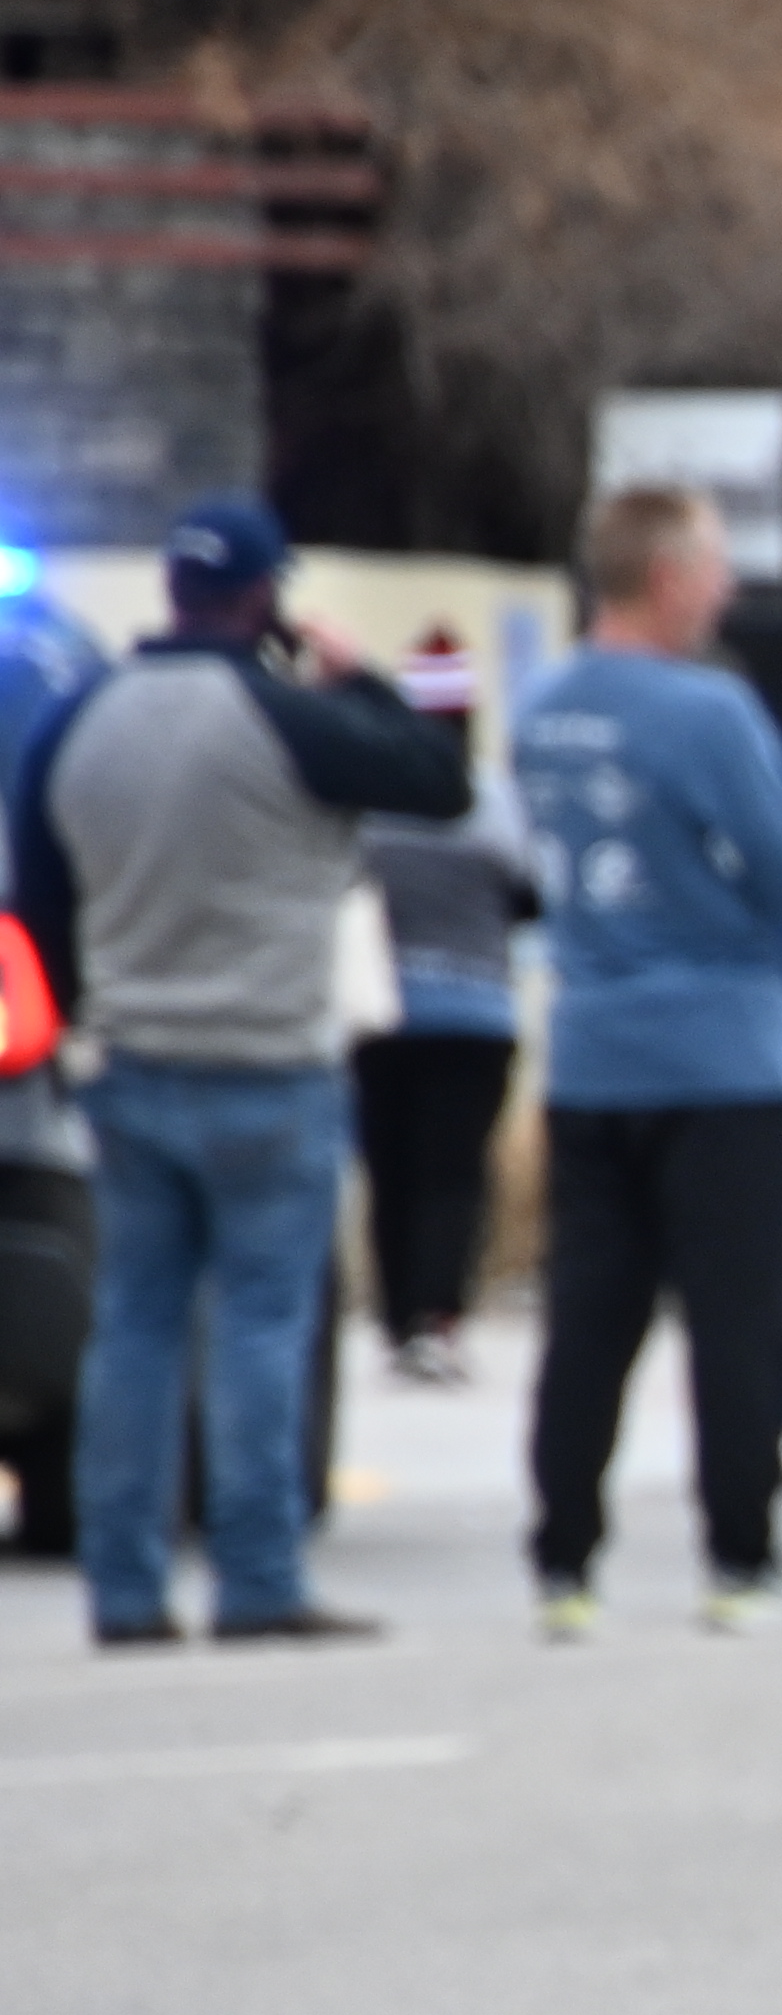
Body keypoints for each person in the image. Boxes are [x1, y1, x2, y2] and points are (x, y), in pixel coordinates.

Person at [6, 498, 468, 1646]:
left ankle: (125, 1586)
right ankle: (257, 1576)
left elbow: (42, 910)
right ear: (264, 599)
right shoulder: (288, 718)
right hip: (269, 1066)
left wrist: (89, 1017)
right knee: (261, 1325)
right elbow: (439, 779)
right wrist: (359, 680)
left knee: (134, 1327)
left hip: (130, 1066)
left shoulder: (77, 722)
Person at [512, 491, 782, 1636]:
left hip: (590, 1054)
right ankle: (740, 1563)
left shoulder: (544, 708)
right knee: (736, 1323)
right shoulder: (707, 710)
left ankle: (563, 1568)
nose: (728, 586)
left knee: (589, 1322)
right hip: (720, 1059)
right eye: (715, 564)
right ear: (668, 577)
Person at [347, 632, 544, 1383]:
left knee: (390, 1168)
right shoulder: (494, 799)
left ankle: (397, 1317)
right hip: (475, 1017)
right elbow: (532, 896)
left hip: (382, 1016)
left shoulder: (372, 800)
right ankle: (439, 1317)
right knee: (453, 1174)